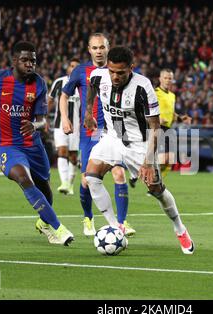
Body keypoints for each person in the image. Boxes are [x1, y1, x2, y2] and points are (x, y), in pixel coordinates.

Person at [0, 41, 74, 246]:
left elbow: (42, 119)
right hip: (5, 145)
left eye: (33, 61)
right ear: (14, 61)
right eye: (25, 60)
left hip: (32, 145)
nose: (30, 64)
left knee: (44, 187)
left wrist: (34, 125)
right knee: (22, 177)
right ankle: (59, 228)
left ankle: (44, 224)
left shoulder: (39, 83)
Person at [77, 46, 194, 254]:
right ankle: (115, 227)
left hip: (140, 144)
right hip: (113, 137)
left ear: (131, 68)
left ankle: (179, 228)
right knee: (91, 176)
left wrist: (149, 161)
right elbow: (91, 89)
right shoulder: (98, 76)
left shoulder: (143, 87)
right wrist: (88, 112)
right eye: (112, 71)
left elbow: (155, 128)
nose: (115, 77)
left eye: (120, 73)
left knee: (156, 189)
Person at [59, 33, 134, 237]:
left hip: (115, 131)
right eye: (95, 48)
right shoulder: (81, 71)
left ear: (108, 48)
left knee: (119, 173)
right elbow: (64, 94)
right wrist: (65, 118)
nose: (99, 51)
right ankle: (88, 217)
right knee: (86, 180)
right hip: (91, 132)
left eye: (102, 47)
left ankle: (121, 223)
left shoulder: (118, 71)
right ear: (89, 50)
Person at [48, 57, 81, 195]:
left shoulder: (83, 86)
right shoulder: (59, 82)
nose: (73, 68)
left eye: (76, 66)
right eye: (71, 65)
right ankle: (64, 183)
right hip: (59, 124)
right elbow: (50, 101)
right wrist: (43, 118)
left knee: (73, 156)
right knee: (62, 151)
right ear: (68, 68)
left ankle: (70, 184)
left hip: (77, 126)